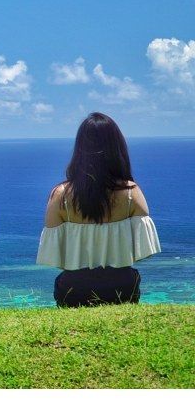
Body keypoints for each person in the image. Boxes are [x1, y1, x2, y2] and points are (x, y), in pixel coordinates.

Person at [37, 112, 161, 307]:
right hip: (122, 286)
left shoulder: (60, 195)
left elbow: (54, 256)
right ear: (117, 147)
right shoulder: (131, 192)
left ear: (79, 149)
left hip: (74, 289)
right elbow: (143, 251)